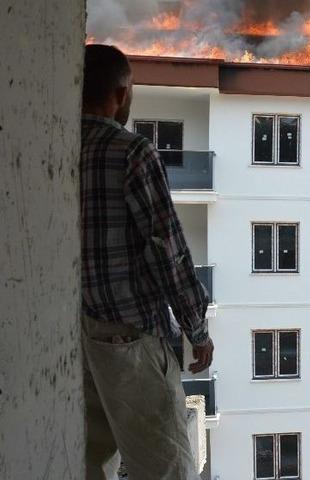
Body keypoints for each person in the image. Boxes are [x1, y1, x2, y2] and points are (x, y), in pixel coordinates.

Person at [80, 44, 213, 480]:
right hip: (132, 339)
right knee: (167, 468)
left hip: (84, 336)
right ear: (120, 93)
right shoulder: (132, 152)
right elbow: (168, 251)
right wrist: (197, 329)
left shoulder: (59, 145)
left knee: (91, 461)